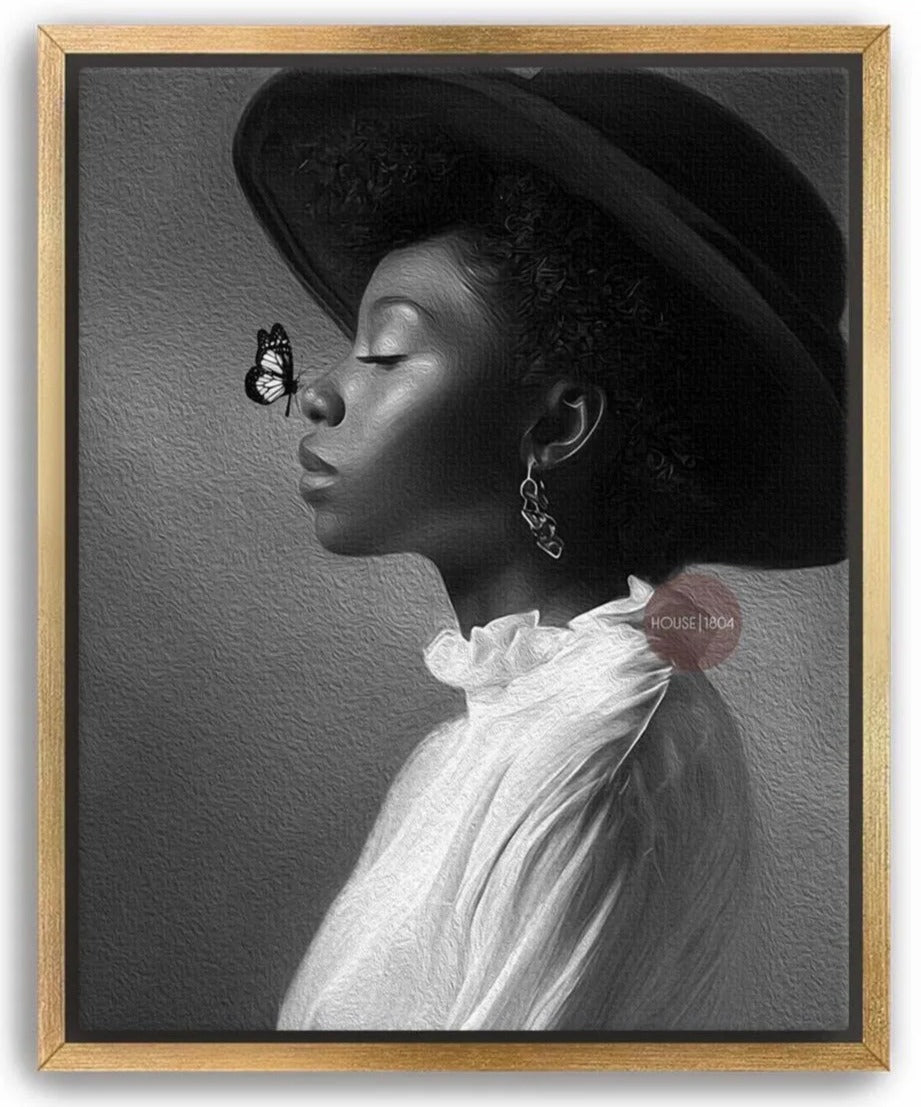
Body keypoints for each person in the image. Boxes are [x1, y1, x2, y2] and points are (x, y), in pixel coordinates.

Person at [233, 67, 847, 1030]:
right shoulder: (495, 734)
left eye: (385, 353)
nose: (316, 390)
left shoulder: (603, 749)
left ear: (557, 426)